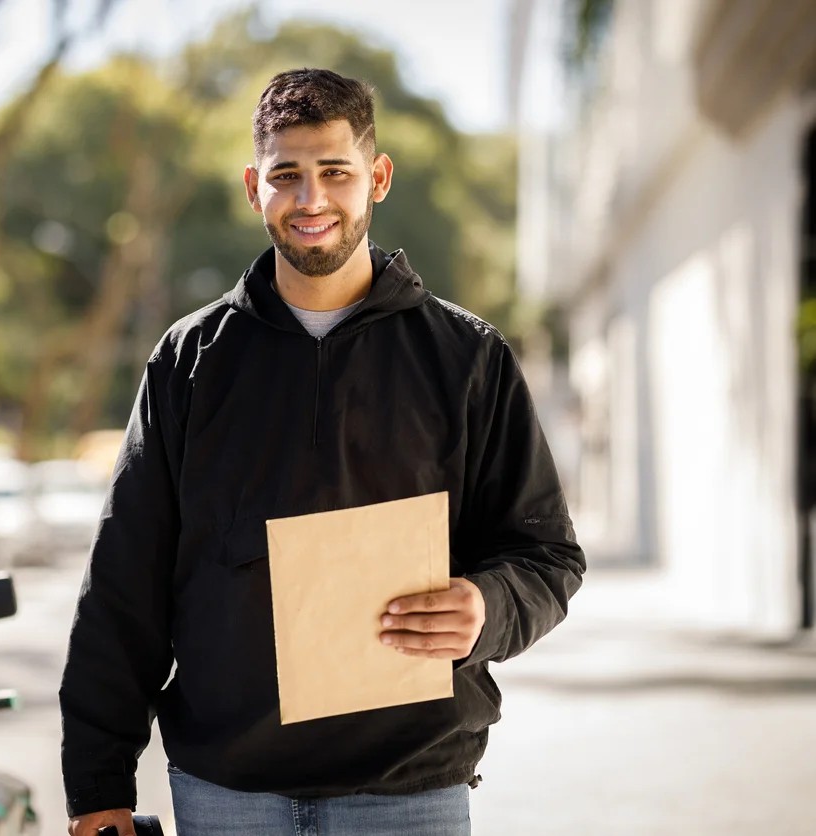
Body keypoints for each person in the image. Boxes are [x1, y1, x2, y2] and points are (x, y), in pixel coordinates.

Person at [59, 67, 585, 836]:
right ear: (252, 186)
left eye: (334, 172)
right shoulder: (188, 362)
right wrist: (96, 783)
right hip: (226, 792)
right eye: (287, 176)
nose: (311, 201)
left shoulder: (468, 359)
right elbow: (123, 584)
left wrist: (488, 607)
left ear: (377, 178)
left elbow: (546, 556)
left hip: (411, 791)